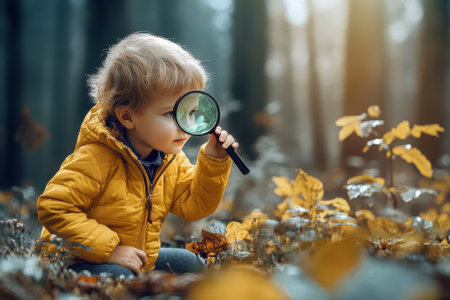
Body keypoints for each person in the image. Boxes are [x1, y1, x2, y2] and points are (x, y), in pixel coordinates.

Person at [36, 32, 238, 278]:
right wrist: (110, 250)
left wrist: (214, 161)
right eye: (170, 114)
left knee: (192, 263)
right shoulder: (96, 158)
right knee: (122, 278)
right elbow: (53, 207)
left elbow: (193, 205)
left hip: (137, 257)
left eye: (191, 111)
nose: (185, 124)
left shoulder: (169, 159)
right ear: (127, 117)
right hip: (74, 259)